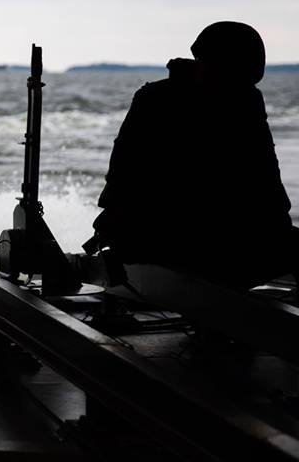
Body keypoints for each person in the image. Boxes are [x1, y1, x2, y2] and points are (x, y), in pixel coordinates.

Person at [87, 22, 298, 288]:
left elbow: (264, 185)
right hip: (158, 237)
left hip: (161, 235)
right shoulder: (237, 100)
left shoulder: (236, 98)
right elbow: (265, 186)